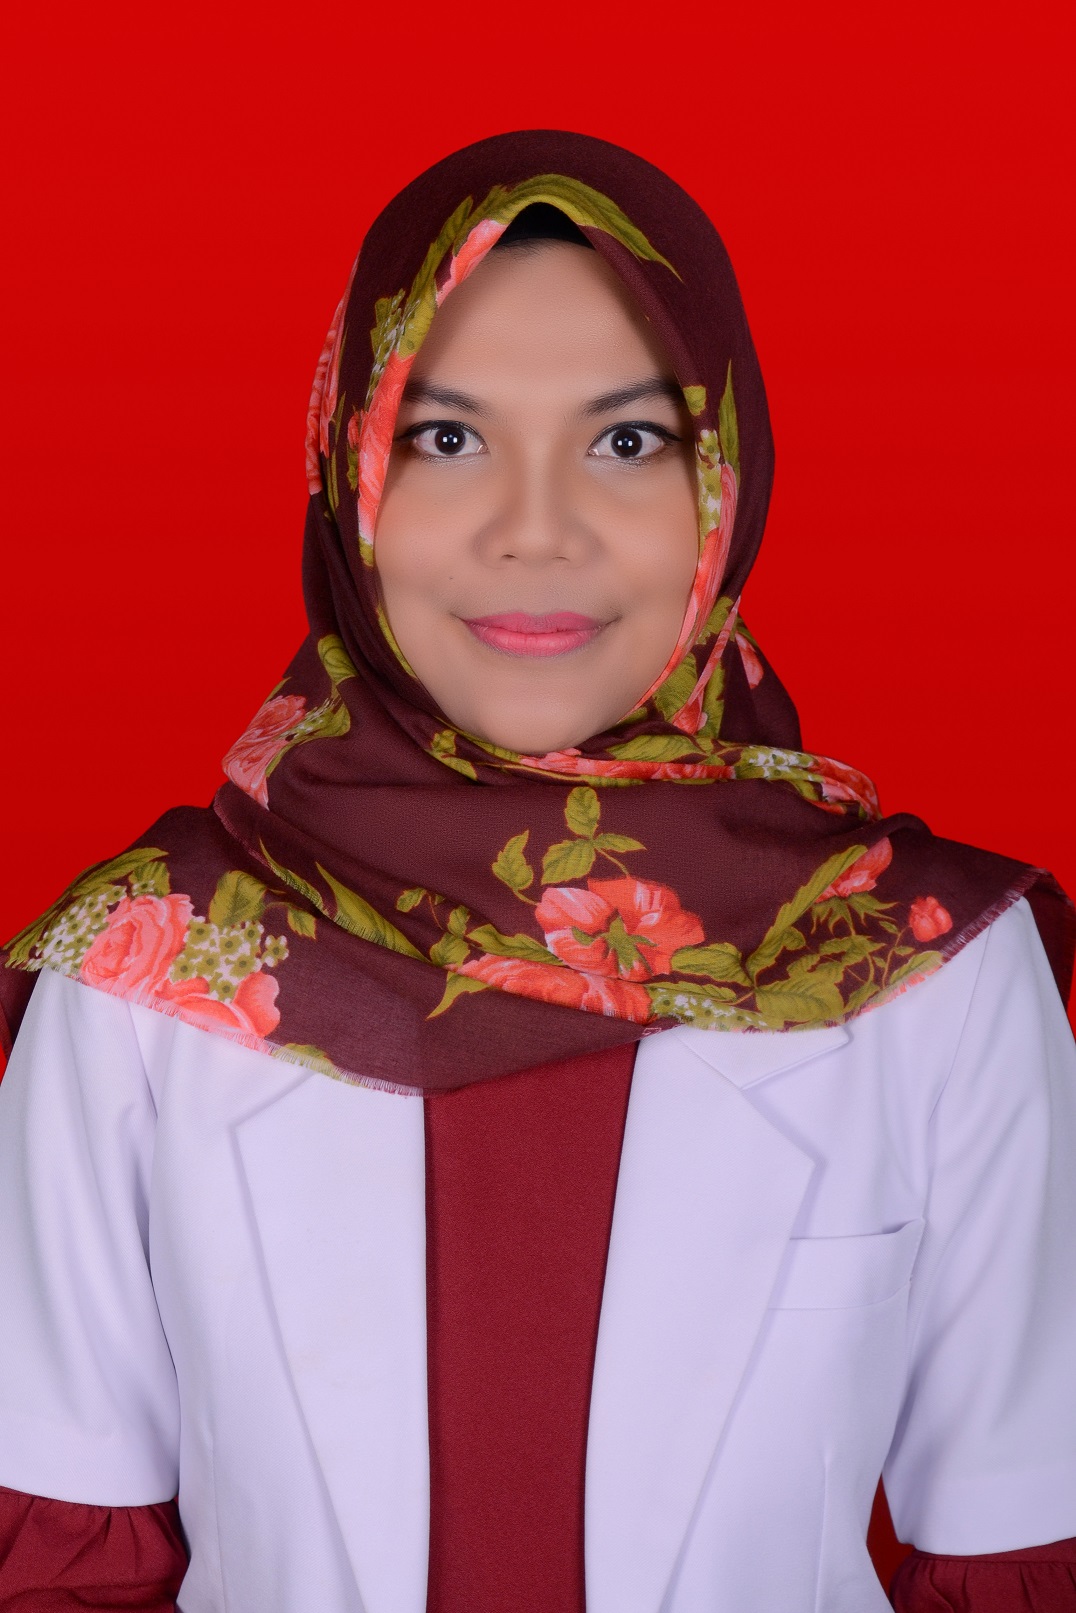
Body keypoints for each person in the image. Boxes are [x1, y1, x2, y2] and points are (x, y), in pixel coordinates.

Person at [0, 129, 1074, 1613]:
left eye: (627, 442)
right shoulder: (148, 965)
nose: (535, 530)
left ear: (726, 483)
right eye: (446, 438)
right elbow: (63, 1565)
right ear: (348, 468)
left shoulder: (926, 967)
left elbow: (1019, 1555)